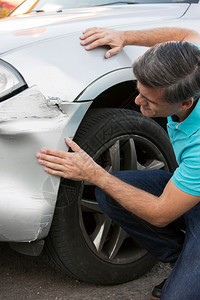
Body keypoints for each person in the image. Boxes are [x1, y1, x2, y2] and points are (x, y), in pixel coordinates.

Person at [36, 27, 200, 300]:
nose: (136, 102)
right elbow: (187, 34)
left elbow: (161, 213)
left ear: (186, 102)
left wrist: (94, 173)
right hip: (191, 190)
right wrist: (125, 37)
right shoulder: (193, 65)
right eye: (139, 91)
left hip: (187, 194)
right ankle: (185, 259)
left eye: (148, 101)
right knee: (114, 194)